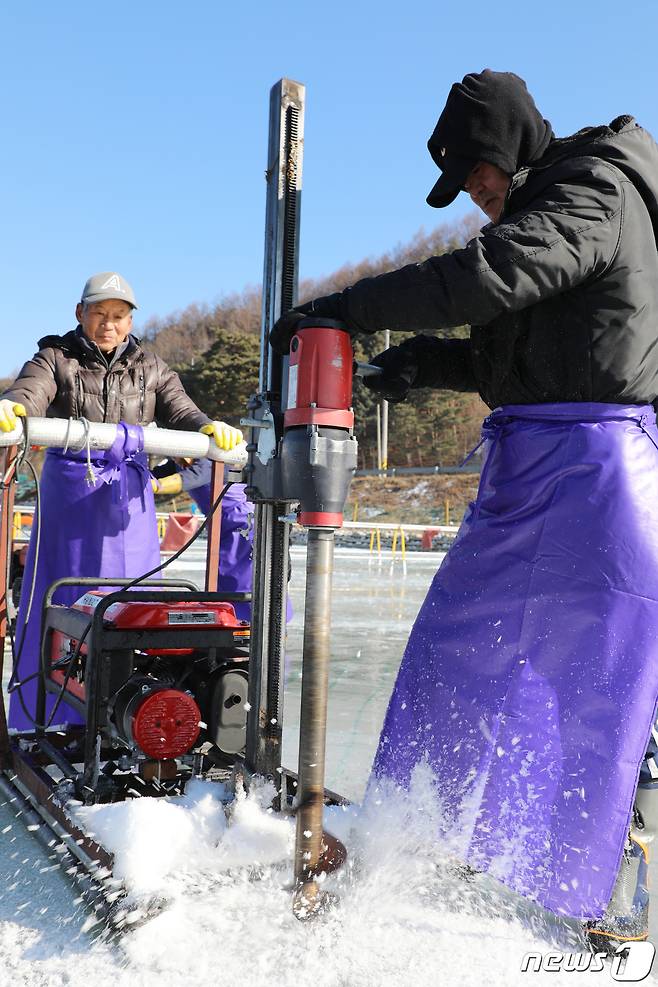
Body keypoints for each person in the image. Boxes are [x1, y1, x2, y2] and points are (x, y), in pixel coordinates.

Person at [270, 70, 658, 947]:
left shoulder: (593, 188)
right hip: (528, 469)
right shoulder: (539, 214)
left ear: (513, 141)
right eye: (464, 181)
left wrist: (347, 309)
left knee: (583, 693)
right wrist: (420, 364)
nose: (477, 192)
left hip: (596, 474)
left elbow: (499, 275)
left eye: (479, 167)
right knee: (453, 656)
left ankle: (604, 888)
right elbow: (524, 352)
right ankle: (423, 844)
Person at [0, 272, 242, 731]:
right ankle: (52, 714)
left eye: (118, 316)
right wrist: (14, 405)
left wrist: (206, 426)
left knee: (130, 598)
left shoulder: (150, 366)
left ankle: (125, 710)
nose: (108, 324)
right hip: (71, 496)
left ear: (130, 320)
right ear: (80, 313)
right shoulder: (57, 357)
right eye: (99, 314)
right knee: (66, 596)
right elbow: (29, 391)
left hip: (128, 501)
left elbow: (181, 408)